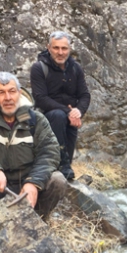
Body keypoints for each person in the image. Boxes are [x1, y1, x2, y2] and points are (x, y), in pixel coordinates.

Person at [0, 71, 67, 217]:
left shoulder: (36, 120)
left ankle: (38, 219)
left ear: (19, 92)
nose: (8, 98)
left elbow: (49, 153)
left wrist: (34, 183)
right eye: (1, 93)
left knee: (58, 180)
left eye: (12, 91)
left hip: (30, 187)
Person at [30, 31, 91, 181]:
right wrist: (68, 111)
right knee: (58, 115)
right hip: (47, 116)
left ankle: (66, 169)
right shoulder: (39, 68)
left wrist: (78, 111)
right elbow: (40, 98)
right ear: (48, 48)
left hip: (70, 119)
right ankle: (61, 165)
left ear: (69, 49)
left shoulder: (75, 68)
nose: (60, 52)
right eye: (56, 48)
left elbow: (84, 95)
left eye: (64, 48)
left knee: (67, 169)